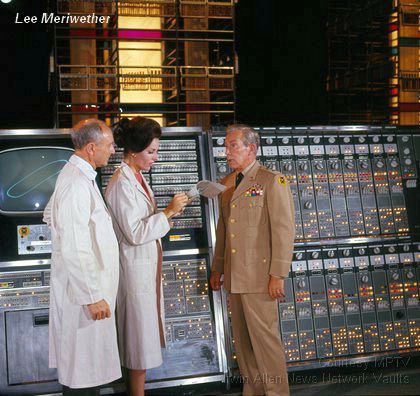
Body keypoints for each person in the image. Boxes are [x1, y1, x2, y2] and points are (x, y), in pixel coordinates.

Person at [105, 117, 188, 396]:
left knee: (141, 343)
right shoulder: (121, 183)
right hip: (133, 272)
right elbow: (135, 233)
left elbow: (146, 223)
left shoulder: (137, 179)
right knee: (138, 346)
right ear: (133, 151)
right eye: (151, 151)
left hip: (144, 269)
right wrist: (168, 212)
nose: (155, 157)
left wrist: (169, 213)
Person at [210, 124, 295, 396]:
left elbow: (284, 231)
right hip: (235, 277)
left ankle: (276, 393)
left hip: (260, 279)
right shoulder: (226, 184)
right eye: (226, 146)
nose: (227, 152)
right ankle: (254, 391)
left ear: (252, 148)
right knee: (244, 346)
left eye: (234, 145)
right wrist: (217, 268)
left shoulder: (272, 181)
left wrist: (278, 275)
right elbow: (224, 230)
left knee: (266, 344)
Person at [43, 119, 121, 395]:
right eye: (109, 145)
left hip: (89, 291)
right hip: (85, 297)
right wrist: (91, 294)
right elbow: (75, 244)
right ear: (91, 147)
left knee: (88, 373)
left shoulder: (78, 177)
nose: (113, 150)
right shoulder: (76, 182)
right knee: (82, 377)